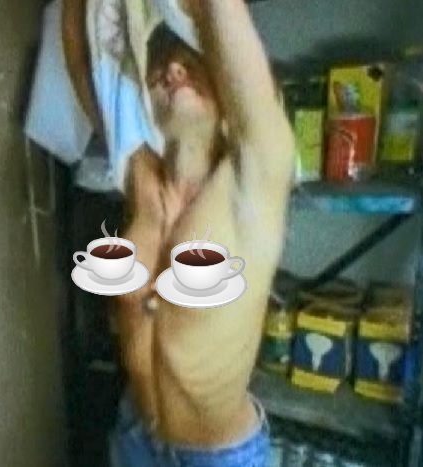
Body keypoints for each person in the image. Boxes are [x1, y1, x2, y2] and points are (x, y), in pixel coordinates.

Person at [109, 1, 294, 466]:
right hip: (135, 434)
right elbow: (88, 60)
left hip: (215, 457)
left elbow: (226, 24)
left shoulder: (252, 183)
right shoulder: (141, 177)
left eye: (192, 64)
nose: (173, 69)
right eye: (162, 66)